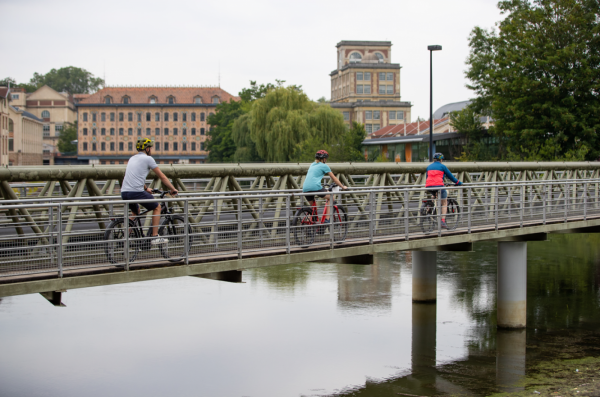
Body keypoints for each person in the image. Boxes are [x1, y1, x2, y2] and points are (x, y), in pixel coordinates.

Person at [120, 138, 179, 244]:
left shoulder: (132, 158)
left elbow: (134, 177)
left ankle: (125, 237)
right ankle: (155, 236)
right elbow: (162, 177)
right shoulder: (149, 159)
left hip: (125, 192)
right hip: (135, 192)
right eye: (150, 147)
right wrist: (172, 189)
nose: (151, 149)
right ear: (147, 149)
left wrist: (146, 189)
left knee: (135, 212)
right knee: (157, 207)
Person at [302, 150, 347, 224]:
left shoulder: (312, 164)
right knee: (331, 196)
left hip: (305, 188)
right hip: (315, 187)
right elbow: (334, 179)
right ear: (323, 159)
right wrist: (342, 186)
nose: (326, 160)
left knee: (313, 206)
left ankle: (309, 224)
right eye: (326, 158)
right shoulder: (324, 166)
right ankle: (327, 219)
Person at [425, 152, 462, 229]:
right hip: (439, 186)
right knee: (444, 202)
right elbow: (451, 177)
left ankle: (429, 208)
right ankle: (442, 221)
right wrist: (459, 183)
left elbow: (427, 177)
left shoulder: (428, 167)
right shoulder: (443, 166)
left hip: (429, 186)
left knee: (435, 195)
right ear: (441, 159)